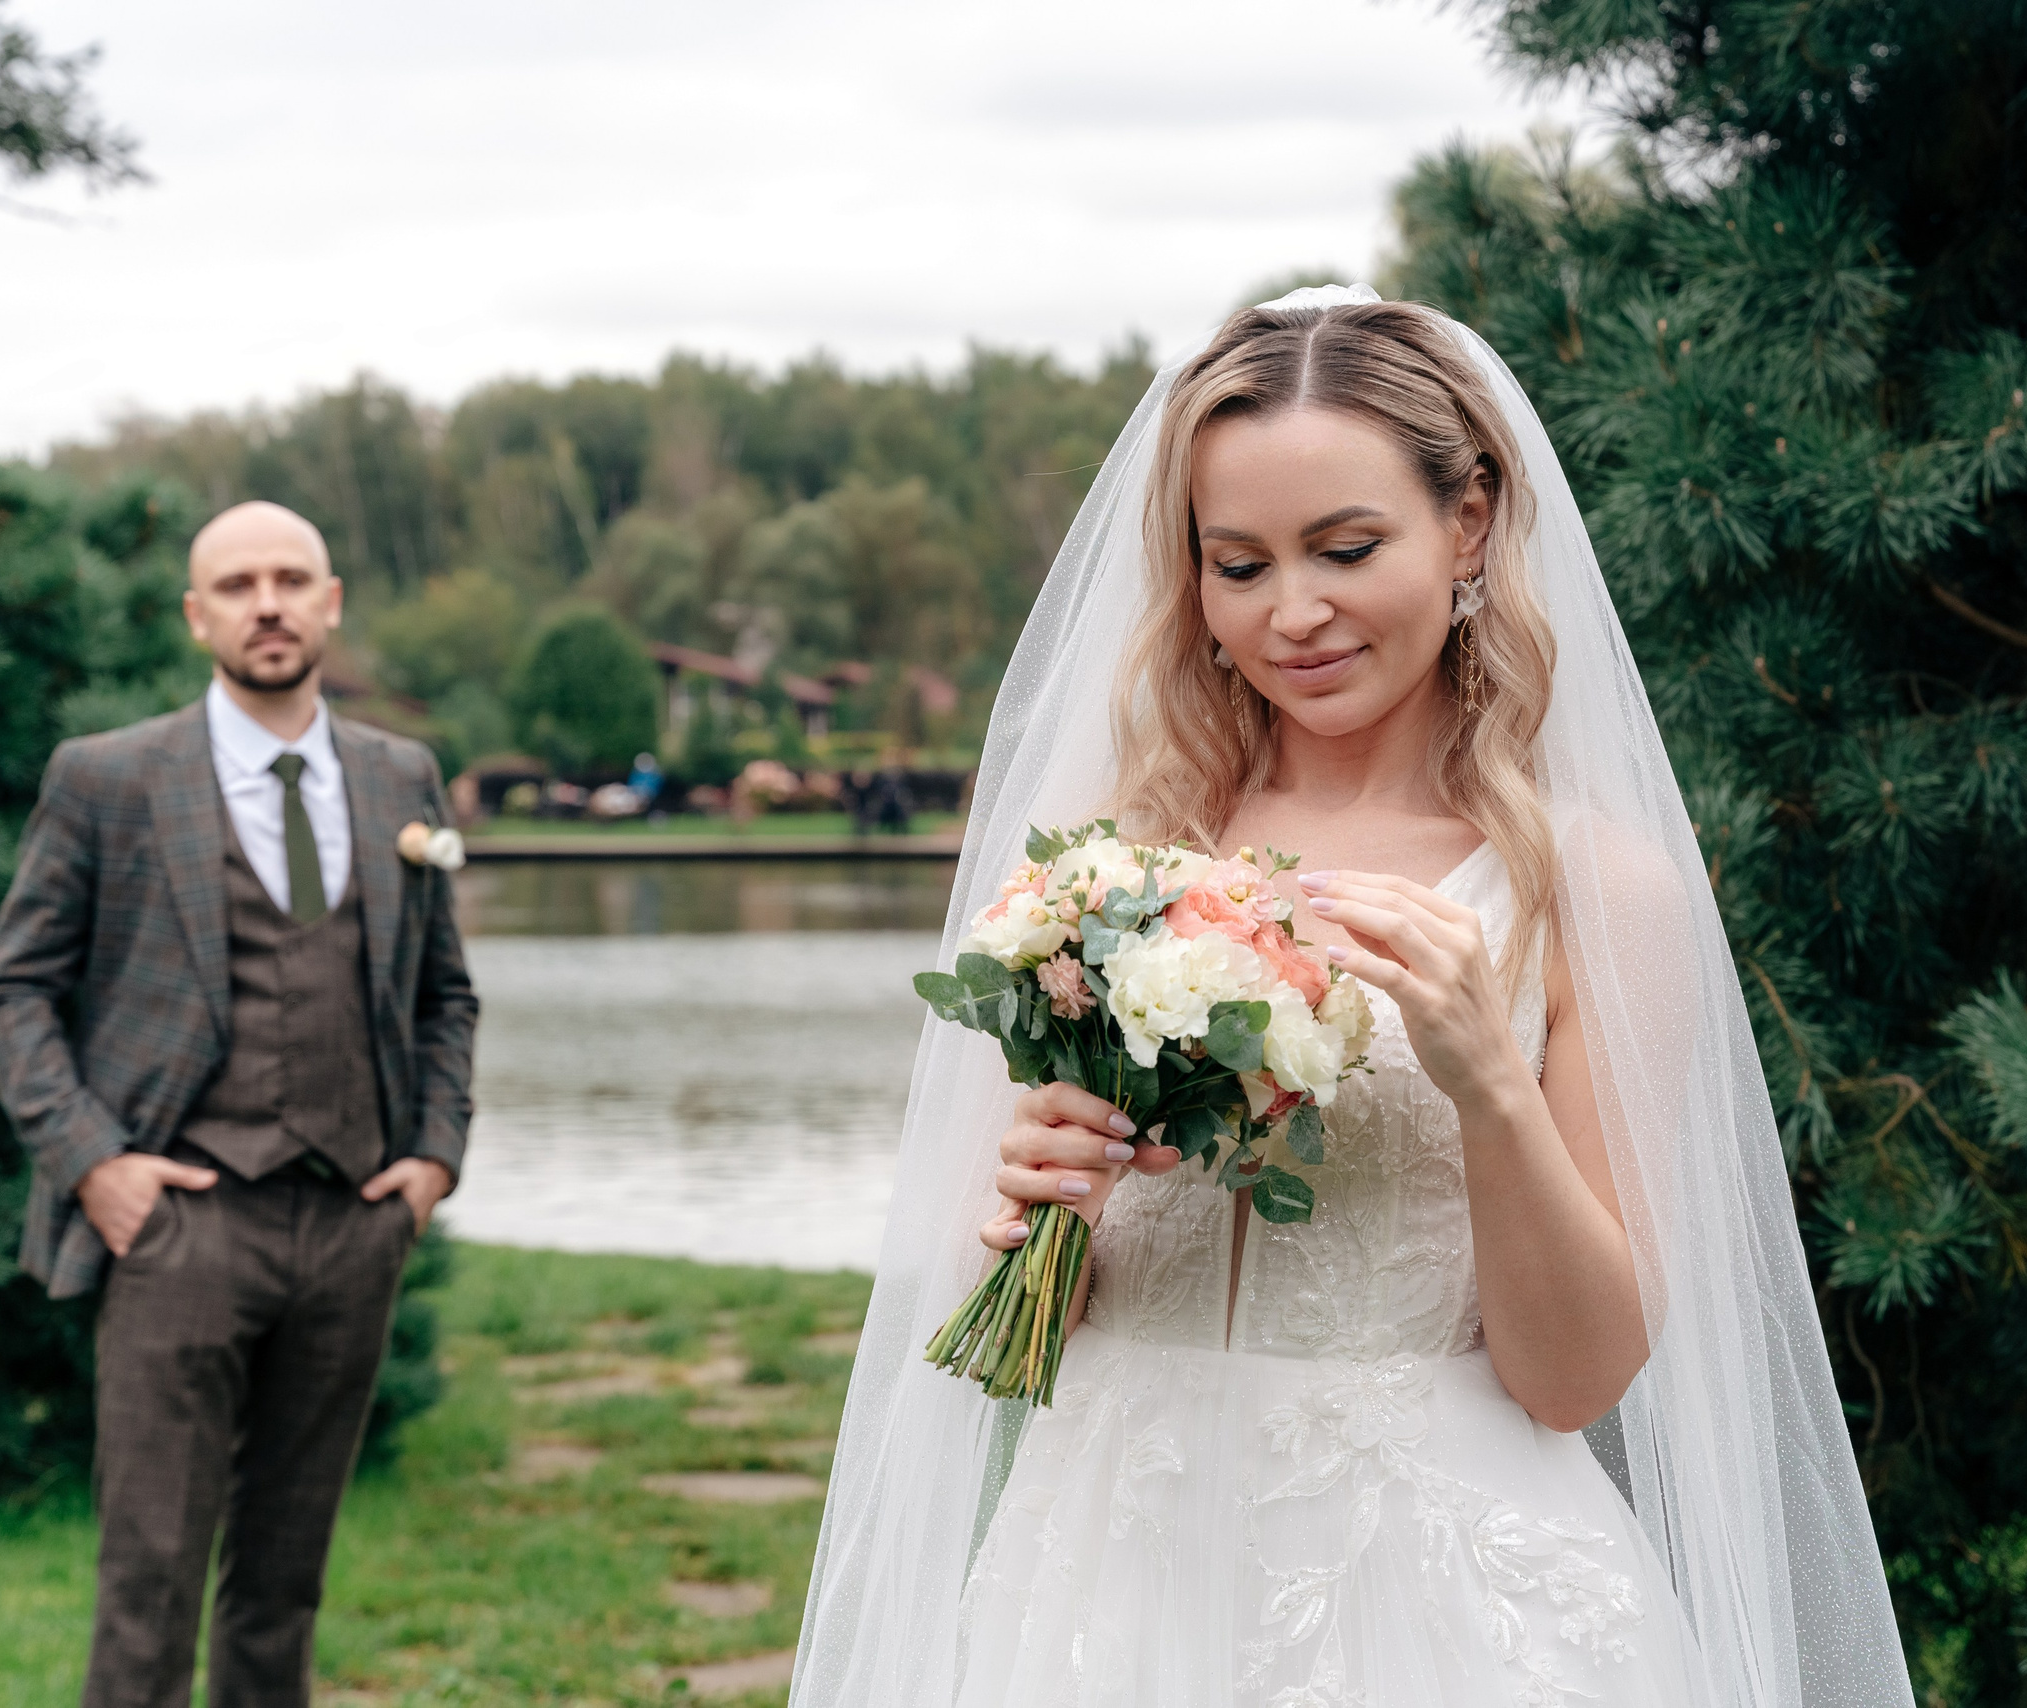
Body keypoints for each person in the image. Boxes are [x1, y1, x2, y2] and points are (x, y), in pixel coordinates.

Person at [792, 291, 1913, 1706]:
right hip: (1106, 1572)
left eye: (1346, 547)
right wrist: (1034, 1201)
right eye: (1238, 564)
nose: (1293, 613)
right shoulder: (1114, 862)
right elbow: (1001, 1308)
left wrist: (1485, 1079)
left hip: (1431, 1593)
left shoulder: (1589, 888)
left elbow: (1572, 1383)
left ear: (1471, 524)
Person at [0, 500, 478, 1708]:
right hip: (179, 1229)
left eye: (291, 577)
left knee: (284, 1584)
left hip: (353, 1222)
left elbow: (443, 995)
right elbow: (10, 991)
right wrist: (97, 1164)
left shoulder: (399, 773)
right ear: (198, 614)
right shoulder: (108, 777)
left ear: (331, 600)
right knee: (148, 1582)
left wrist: (432, 1163)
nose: (267, 602)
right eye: (237, 584)